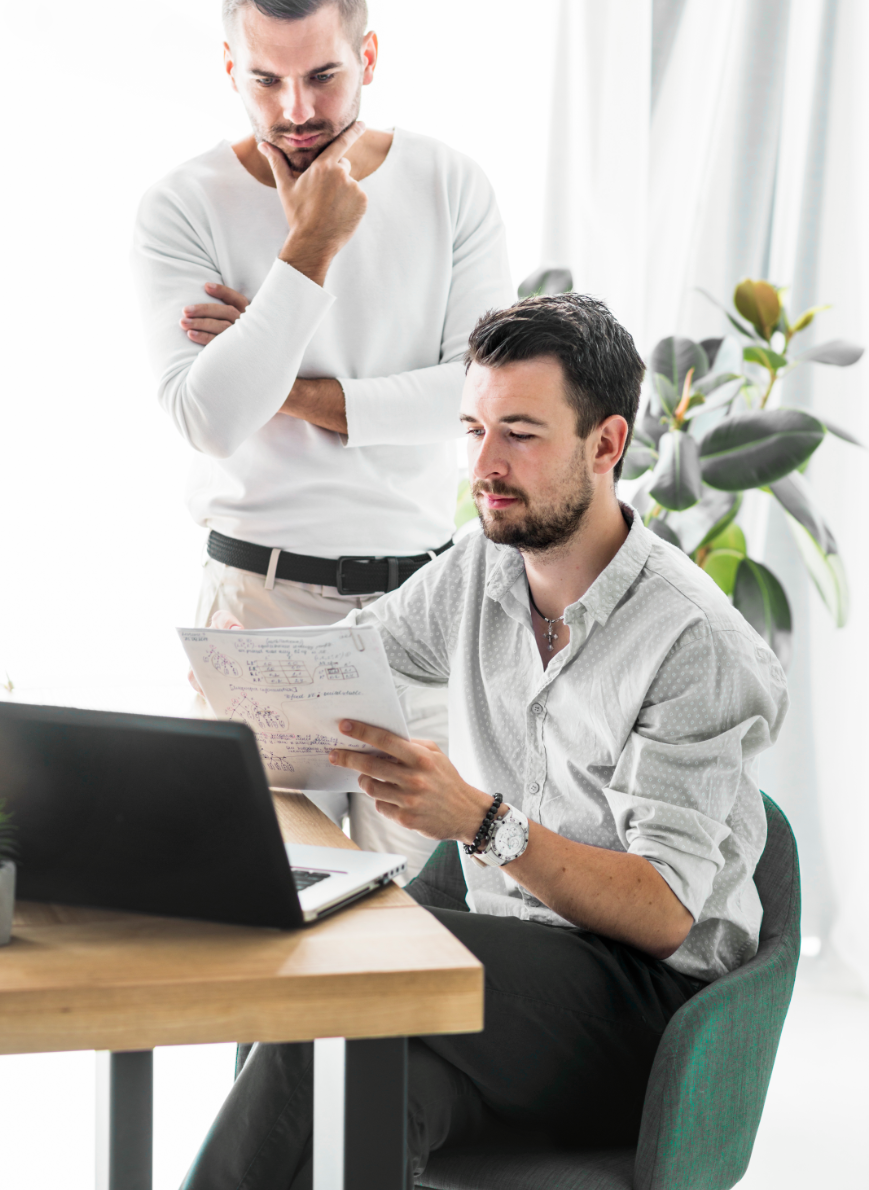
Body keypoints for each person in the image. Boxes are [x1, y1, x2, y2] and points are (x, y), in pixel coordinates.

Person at [183, 292, 789, 1189]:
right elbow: (351, 661)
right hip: (510, 982)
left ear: (607, 444)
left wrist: (479, 820)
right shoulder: (481, 566)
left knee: (344, 979)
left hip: (645, 1017)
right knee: (369, 1095)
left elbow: (665, 911)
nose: (485, 465)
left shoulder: (694, 644)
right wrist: (250, 676)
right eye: (471, 429)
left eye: (520, 433)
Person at [132, 0, 512, 866]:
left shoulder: (452, 186)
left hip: (417, 613)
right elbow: (211, 419)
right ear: (231, 67)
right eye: (265, 80)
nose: (296, 111)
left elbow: (475, 401)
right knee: (262, 928)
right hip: (257, 609)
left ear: (369, 57)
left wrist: (276, 380)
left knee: (416, 938)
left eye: (324, 77)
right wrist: (313, 247)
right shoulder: (184, 205)